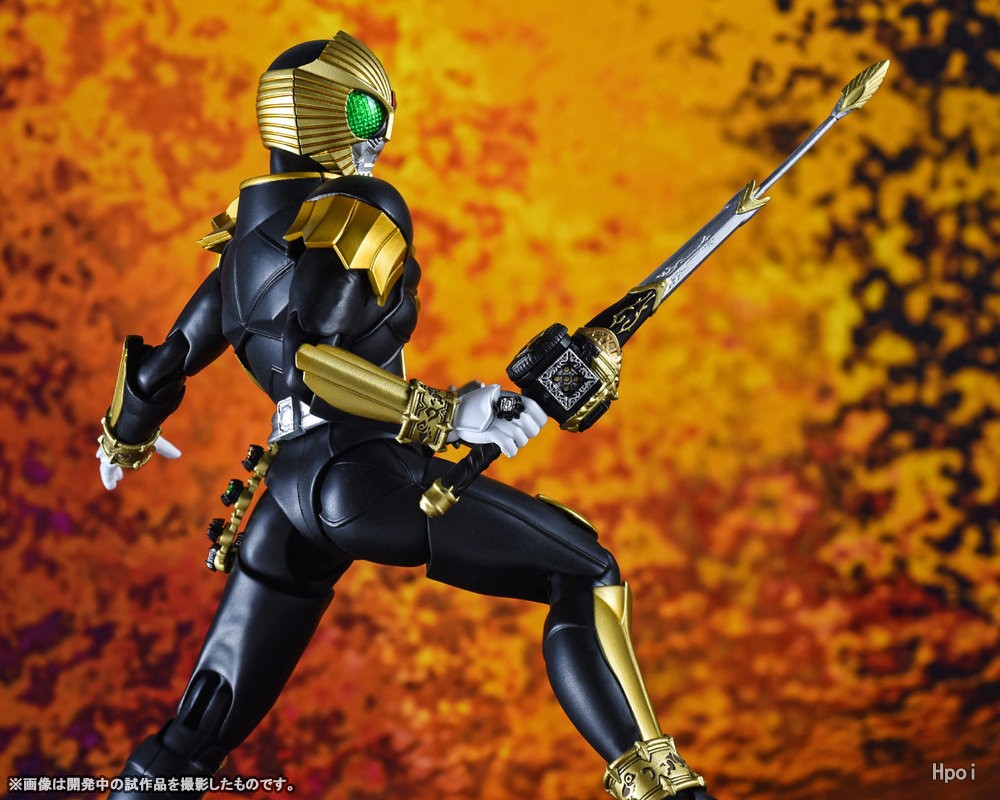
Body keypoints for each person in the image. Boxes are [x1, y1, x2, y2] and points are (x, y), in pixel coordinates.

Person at [96, 31, 712, 800]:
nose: (379, 134)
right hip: (359, 478)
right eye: (363, 112)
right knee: (585, 571)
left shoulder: (247, 234)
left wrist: (125, 433)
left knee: (198, 732)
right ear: (314, 115)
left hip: (286, 496)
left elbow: (169, 359)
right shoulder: (359, 209)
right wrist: (448, 414)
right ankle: (666, 789)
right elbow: (314, 365)